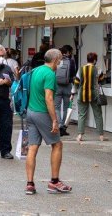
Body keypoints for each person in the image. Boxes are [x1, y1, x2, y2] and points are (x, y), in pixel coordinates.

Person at [25, 48, 71, 195]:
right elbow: (49, 98)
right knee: (57, 144)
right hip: (42, 113)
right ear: (56, 59)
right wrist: (54, 120)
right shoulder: (50, 74)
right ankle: (54, 181)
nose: (61, 62)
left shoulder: (36, 70)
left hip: (30, 112)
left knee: (32, 148)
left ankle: (30, 184)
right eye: (61, 59)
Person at [72, 52, 105, 142]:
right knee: (98, 115)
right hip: (95, 95)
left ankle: (80, 135)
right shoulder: (98, 69)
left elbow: (76, 82)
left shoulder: (81, 69)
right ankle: (101, 136)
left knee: (82, 115)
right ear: (94, 60)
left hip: (82, 94)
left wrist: (72, 94)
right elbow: (102, 81)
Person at [54, 45, 76, 136]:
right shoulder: (71, 61)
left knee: (57, 107)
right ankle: (63, 127)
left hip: (57, 86)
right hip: (67, 86)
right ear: (68, 52)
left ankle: (58, 125)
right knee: (67, 107)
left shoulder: (56, 60)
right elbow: (73, 74)